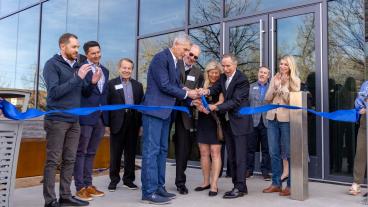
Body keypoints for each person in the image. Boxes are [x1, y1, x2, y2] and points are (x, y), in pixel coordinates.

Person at [140, 34, 199, 204]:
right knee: (151, 152)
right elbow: (164, 85)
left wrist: (191, 95)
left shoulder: (175, 62)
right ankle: (148, 192)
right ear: (175, 44)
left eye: (189, 50)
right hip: (154, 112)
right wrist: (187, 93)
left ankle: (159, 187)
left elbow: (177, 85)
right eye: (186, 49)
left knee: (162, 151)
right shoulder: (161, 58)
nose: (187, 53)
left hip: (166, 112)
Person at [42, 33, 93, 207]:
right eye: (74, 47)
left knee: (70, 159)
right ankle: (50, 201)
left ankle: (65, 196)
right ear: (63, 47)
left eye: (78, 47)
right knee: (53, 160)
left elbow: (83, 92)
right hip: (57, 120)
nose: (77, 50)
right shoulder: (52, 65)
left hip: (74, 120)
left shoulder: (77, 65)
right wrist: (77, 78)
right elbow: (54, 93)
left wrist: (92, 82)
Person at [200, 54, 253, 199]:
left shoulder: (242, 79)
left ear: (235, 65)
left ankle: (239, 188)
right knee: (232, 156)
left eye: (228, 66)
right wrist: (207, 91)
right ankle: (240, 185)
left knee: (240, 156)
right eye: (223, 66)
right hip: (228, 123)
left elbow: (235, 102)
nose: (225, 69)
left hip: (240, 123)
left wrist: (216, 108)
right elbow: (215, 88)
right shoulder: (223, 77)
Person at [74, 41, 109, 201]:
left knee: (92, 152)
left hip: (100, 117)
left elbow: (104, 94)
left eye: (98, 52)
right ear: (87, 54)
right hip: (86, 116)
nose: (97, 55)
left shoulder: (106, 70)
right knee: (81, 152)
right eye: (93, 53)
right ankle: (80, 187)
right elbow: (84, 92)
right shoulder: (81, 69)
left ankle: (89, 185)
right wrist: (93, 82)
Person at [262, 55, 301, 197]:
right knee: (273, 152)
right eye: (281, 64)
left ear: (291, 66)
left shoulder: (295, 81)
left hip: (287, 120)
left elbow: (292, 101)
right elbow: (267, 98)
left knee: (289, 153)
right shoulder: (274, 78)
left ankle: (290, 185)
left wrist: (284, 86)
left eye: (285, 64)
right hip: (272, 118)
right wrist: (276, 85)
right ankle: (276, 183)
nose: (282, 66)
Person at [107, 58, 144, 192]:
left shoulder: (138, 86)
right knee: (115, 153)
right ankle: (114, 180)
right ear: (119, 68)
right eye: (124, 67)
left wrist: (140, 125)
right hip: (117, 122)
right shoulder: (111, 84)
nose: (127, 70)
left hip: (133, 122)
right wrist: (107, 124)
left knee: (131, 153)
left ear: (132, 70)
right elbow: (107, 105)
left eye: (129, 68)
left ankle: (128, 180)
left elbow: (141, 107)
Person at [174, 44, 203, 195]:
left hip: (185, 113)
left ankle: (180, 182)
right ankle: (156, 182)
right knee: (159, 147)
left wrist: (194, 98)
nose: (192, 58)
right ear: (186, 52)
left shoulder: (198, 73)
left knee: (183, 148)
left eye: (196, 57)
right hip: (167, 111)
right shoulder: (174, 63)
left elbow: (197, 93)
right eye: (191, 54)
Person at [193, 60, 224, 197]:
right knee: (204, 152)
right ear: (208, 73)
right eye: (212, 73)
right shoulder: (202, 84)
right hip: (203, 121)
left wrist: (211, 107)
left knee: (215, 152)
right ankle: (205, 182)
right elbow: (195, 100)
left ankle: (214, 185)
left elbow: (222, 101)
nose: (214, 75)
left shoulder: (221, 84)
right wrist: (199, 106)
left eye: (217, 73)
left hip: (216, 120)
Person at [246, 66, 271, 181]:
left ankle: (265, 171)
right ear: (258, 73)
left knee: (266, 149)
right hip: (253, 122)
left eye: (265, 73)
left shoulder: (272, 87)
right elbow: (247, 103)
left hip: (267, 123)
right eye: (261, 72)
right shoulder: (251, 87)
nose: (262, 74)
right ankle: (249, 170)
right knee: (250, 148)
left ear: (268, 76)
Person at [348, 80, 368, 195]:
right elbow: (358, 102)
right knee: (360, 151)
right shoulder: (366, 84)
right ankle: (357, 183)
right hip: (365, 120)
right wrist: (362, 107)